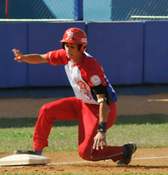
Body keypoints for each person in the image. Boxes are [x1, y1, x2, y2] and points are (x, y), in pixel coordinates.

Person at [12, 27, 136, 165]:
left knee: (86, 153)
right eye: (66, 45)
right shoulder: (65, 56)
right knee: (47, 110)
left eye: (72, 46)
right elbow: (42, 58)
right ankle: (36, 152)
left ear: (82, 47)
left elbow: (104, 100)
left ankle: (125, 151)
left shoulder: (90, 67)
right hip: (81, 104)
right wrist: (23, 58)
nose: (68, 49)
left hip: (100, 110)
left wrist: (101, 130)